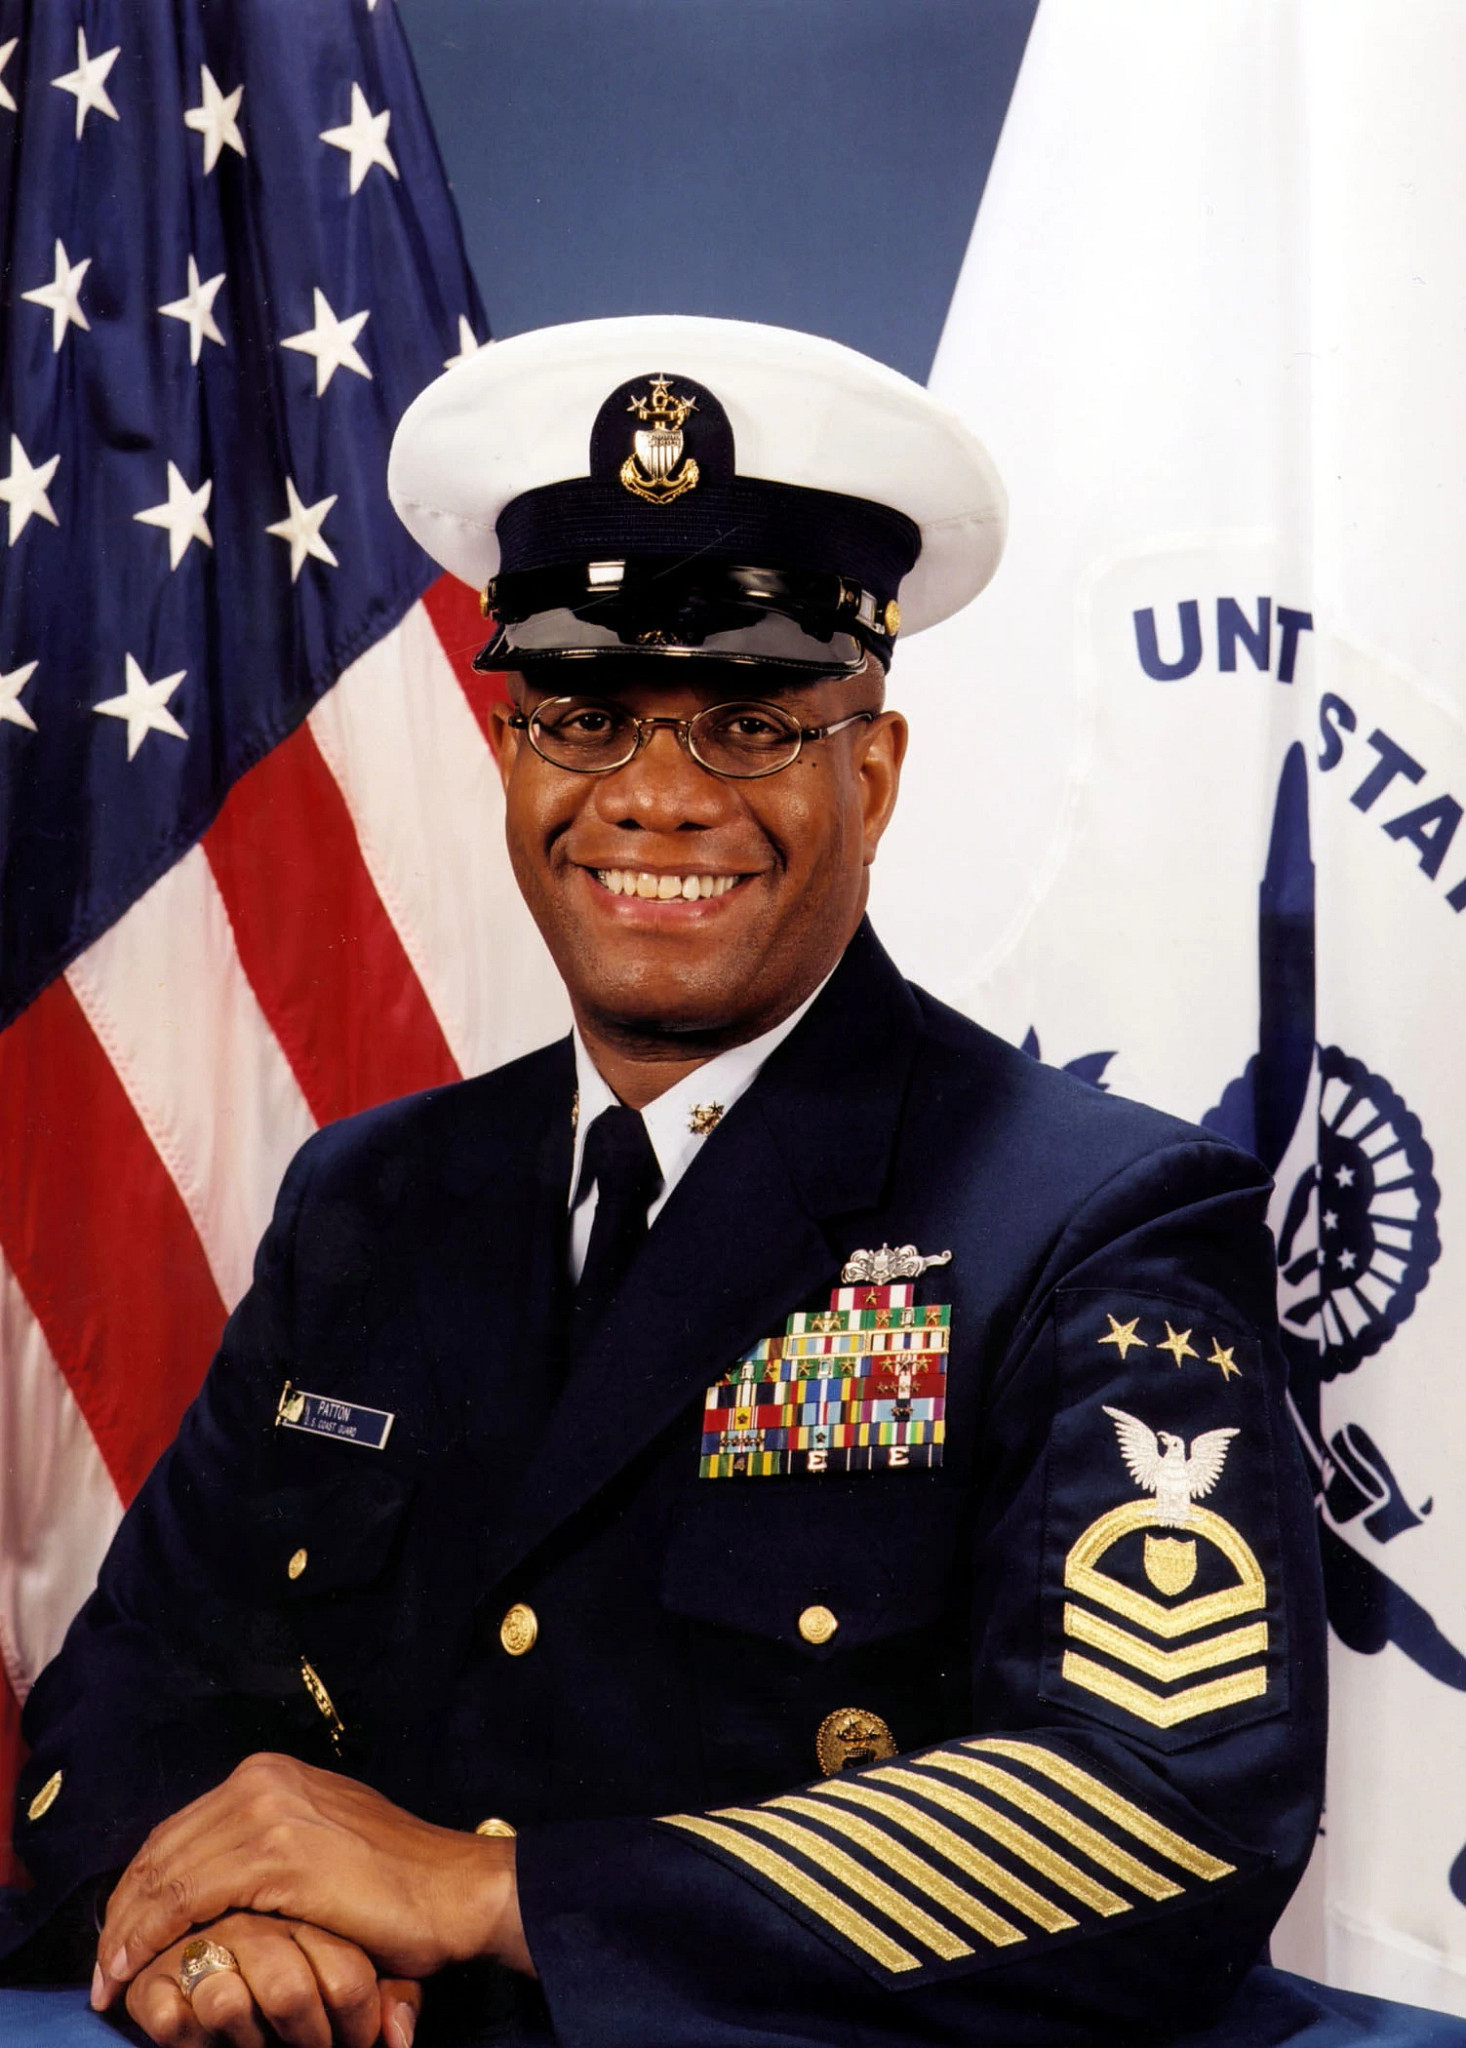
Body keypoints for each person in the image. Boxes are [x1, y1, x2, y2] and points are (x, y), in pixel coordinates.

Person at [1, 316, 1326, 2048]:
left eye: (751, 727)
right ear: (507, 758)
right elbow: (127, 1700)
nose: (655, 798)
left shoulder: (1093, 1220)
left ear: (875, 771)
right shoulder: (375, 1199)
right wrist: (202, 1927)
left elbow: (1154, 1807)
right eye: (584, 716)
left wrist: (490, 1893)